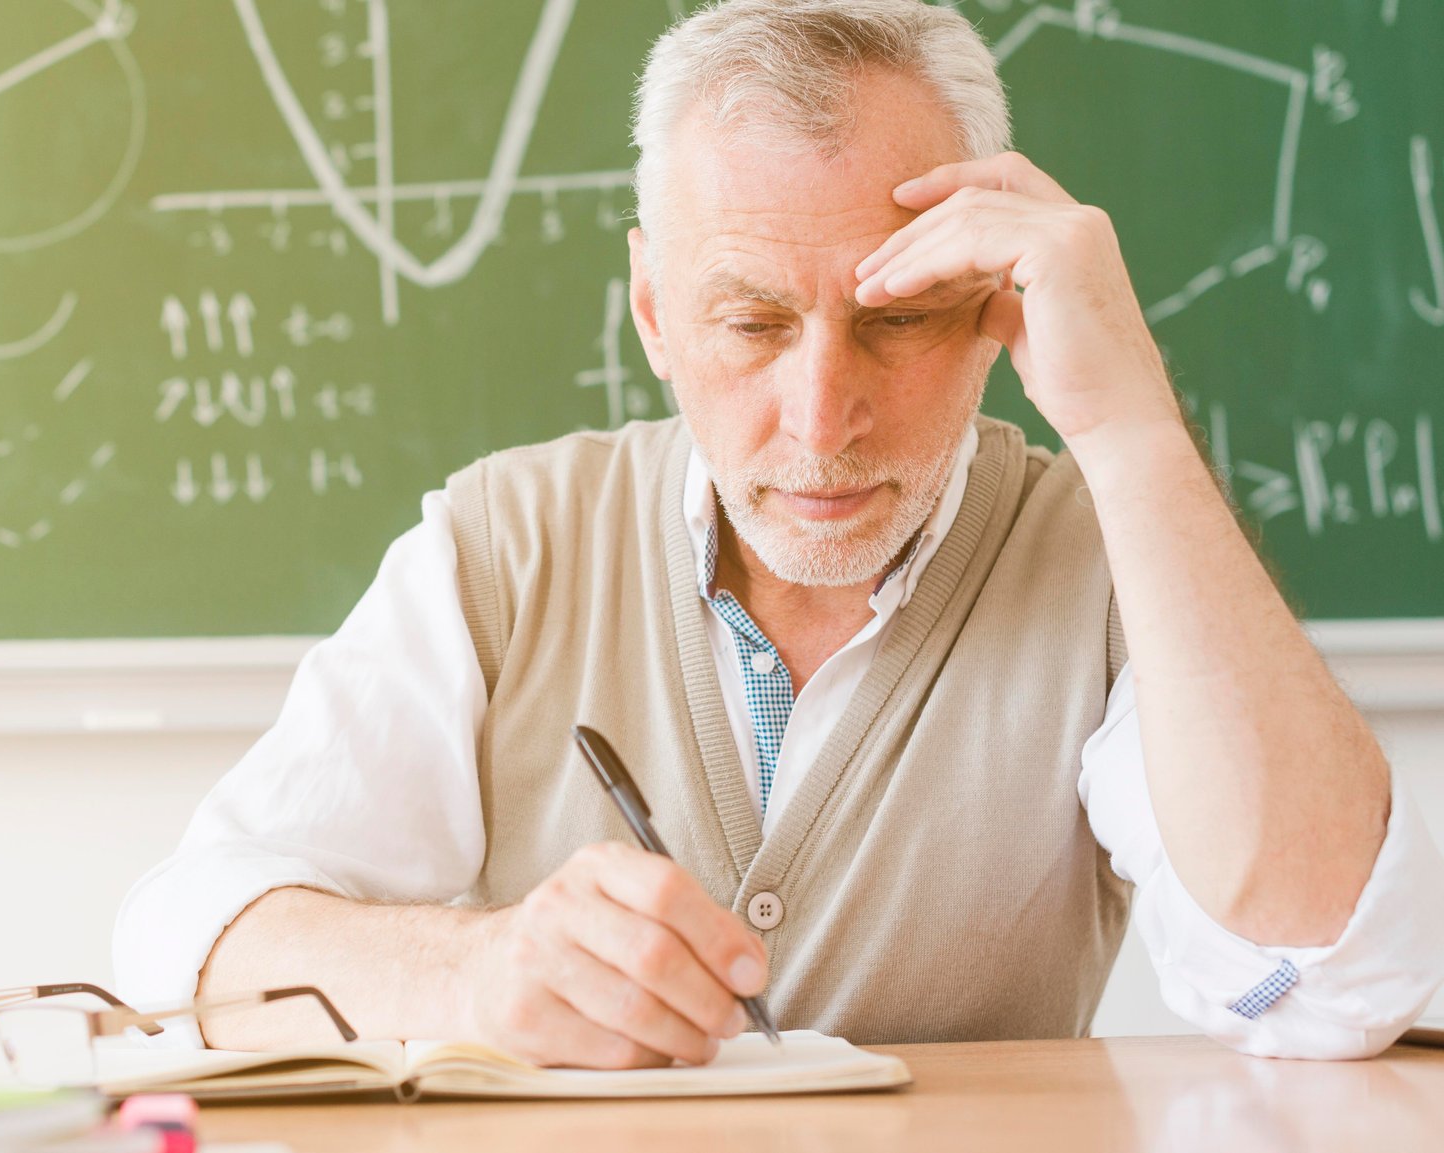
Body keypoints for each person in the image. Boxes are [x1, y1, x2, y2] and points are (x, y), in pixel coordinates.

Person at [116, 0, 1444, 1066]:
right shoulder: (505, 545)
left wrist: (1137, 435)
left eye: (900, 316)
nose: (823, 418)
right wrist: (472, 969)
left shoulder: (1109, 561)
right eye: (751, 325)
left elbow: (1338, 980)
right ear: (650, 309)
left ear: (993, 297)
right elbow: (180, 938)